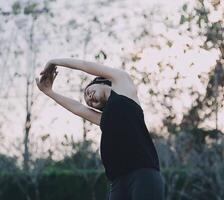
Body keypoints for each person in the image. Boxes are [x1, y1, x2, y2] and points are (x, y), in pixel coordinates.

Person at [35, 58, 165, 200]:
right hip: (117, 182)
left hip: (142, 174)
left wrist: (54, 61)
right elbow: (78, 108)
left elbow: (85, 65)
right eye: (88, 101)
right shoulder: (104, 118)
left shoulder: (123, 85)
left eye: (88, 91)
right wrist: (49, 92)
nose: (89, 98)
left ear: (101, 82)